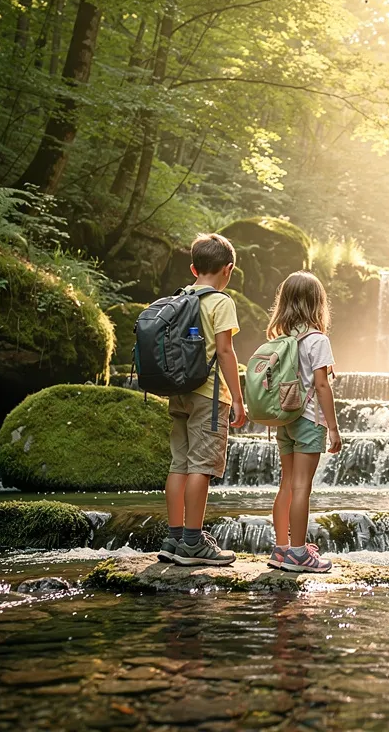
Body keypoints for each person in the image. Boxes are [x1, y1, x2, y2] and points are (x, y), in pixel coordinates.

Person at [160, 233, 247, 566]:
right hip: (208, 396)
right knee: (201, 467)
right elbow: (224, 351)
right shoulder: (221, 302)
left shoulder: (179, 298)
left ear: (194, 269)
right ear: (229, 269)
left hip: (179, 391)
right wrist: (237, 398)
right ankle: (194, 544)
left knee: (179, 464)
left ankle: (174, 538)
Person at [265, 271, 343, 573]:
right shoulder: (317, 340)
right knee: (301, 487)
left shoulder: (281, 340)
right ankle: (299, 553)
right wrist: (333, 427)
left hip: (284, 419)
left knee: (286, 484)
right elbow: (322, 385)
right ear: (317, 304)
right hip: (309, 420)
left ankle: (281, 548)